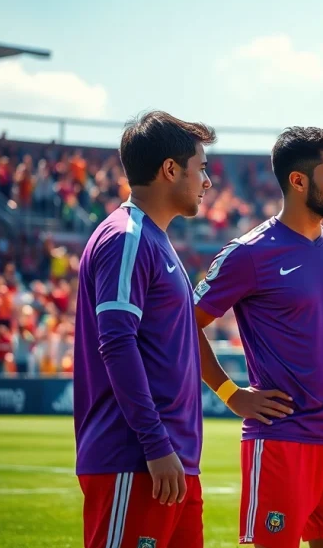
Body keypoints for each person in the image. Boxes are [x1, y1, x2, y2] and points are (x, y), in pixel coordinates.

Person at [193, 127, 323, 548]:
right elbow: (184, 323)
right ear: (298, 181)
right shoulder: (249, 253)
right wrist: (229, 393)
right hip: (280, 441)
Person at [72, 111, 215, 548]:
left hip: (173, 464)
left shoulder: (154, 238)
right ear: (171, 170)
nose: (206, 181)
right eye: (201, 168)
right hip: (136, 460)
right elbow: (116, 342)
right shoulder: (126, 237)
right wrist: (155, 445)